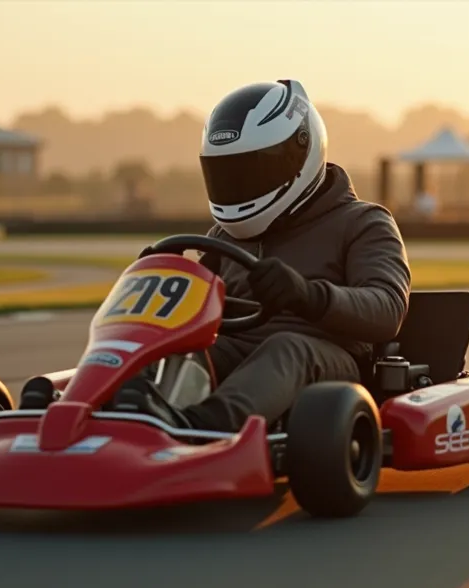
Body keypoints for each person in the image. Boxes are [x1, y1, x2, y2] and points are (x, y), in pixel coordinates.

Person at [113, 79, 412, 432]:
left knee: (287, 348)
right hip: (239, 351)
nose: (241, 186)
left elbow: (387, 309)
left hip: (330, 362)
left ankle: (206, 430)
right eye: (230, 174)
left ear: (301, 153)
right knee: (175, 348)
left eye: (252, 171)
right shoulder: (223, 236)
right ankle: (118, 410)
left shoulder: (362, 222)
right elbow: (191, 310)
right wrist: (162, 276)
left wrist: (307, 294)